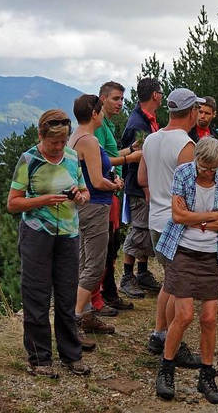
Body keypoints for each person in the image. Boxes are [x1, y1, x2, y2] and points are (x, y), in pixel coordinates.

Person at [7, 109, 92, 378]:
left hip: (68, 234)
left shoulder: (70, 156)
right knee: (37, 296)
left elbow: (84, 191)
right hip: (36, 234)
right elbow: (13, 203)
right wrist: (42, 200)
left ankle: (71, 356)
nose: (58, 148)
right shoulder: (28, 159)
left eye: (63, 142)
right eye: (53, 143)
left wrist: (80, 197)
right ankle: (39, 358)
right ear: (41, 136)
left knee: (67, 297)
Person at [154, 138, 218, 404]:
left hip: (211, 254)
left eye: (212, 168)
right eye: (203, 167)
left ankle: (206, 374)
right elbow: (178, 217)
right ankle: (166, 367)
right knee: (185, 315)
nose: (207, 173)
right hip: (183, 251)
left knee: (210, 318)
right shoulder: (183, 172)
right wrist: (212, 216)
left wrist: (199, 218)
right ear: (196, 159)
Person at [137, 88, 203, 368]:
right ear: (191, 112)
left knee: (170, 281)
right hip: (177, 223)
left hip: (156, 220)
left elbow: (142, 177)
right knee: (181, 286)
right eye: (198, 110)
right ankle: (173, 346)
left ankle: (159, 334)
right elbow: (191, 191)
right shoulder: (186, 145)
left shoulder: (151, 139)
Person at [68, 95, 124, 342]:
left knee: (84, 262)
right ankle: (75, 317)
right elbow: (97, 180)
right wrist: (115, 185)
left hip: (85, 207)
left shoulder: (76, 136)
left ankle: (86, 314)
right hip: (95, 206)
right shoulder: (89, 141)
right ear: (94, 113)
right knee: (95, 264)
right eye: (100, 111)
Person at [95, 81, 140, 312]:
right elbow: (102, 161)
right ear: (102, 99)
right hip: (103, 194)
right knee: (105, 247)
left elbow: (111, 154)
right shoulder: (99, 127)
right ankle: (102, 296)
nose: (120, 103)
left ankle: (109, 293)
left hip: (112, 191)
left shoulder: (107, 125)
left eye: (122, 99)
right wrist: (128, 159)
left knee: (111, 245)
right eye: (115, 99)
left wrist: (130, 150)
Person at [185, 96, 218, 289]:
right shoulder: (188, 133)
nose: (202, 116)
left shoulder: (217, 135)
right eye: (200, 112)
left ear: (214, 114)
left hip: (215, 187)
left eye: (207, 113)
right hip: (194, 187)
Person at [119, 77, 163, 298]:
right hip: (138, 185)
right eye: (161, 93)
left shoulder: (147, 119)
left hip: (144, 183)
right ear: (154, 95)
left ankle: (142, 272)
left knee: (146, 226)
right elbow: (137, 156)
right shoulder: (138, 124)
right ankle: (127, 276)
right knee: (138, 228)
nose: (162, 97)